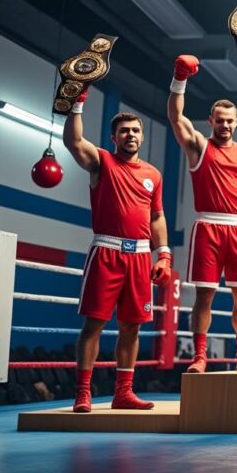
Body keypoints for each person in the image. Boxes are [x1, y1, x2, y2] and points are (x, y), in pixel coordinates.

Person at [166, 55, 237, 373]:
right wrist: (180, 80)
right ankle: (200, 356)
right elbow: (176, 117)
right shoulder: (198, 147)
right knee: (204, 296)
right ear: (211, 120)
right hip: (208, 227)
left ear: (236, 122)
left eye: (230, 120)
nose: (225, 125)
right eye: (220, 120)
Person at [62, 91, 171, 412]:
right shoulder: (101, 161)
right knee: (94, 324)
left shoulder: (153, 174)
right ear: (114, 137)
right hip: (106, 252)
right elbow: (73, 141)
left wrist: (163, 252)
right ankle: (83, 392)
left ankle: (123, 392)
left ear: (142, 135)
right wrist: (77, 103)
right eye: (124, 131)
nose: (131, 135)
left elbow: (157, 216)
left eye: (136, 130)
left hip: (140, 256)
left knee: (132, 326)